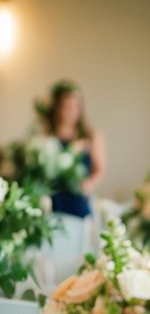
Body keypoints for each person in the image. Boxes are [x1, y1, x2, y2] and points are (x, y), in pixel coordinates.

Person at [36, 79, 106, 216]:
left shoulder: (91, 136)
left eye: (75, 105)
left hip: (78, 200)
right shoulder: (46, 137)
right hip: (52, 201)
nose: (71, 110)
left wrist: (88, 185)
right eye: (66, 105)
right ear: (57, 107)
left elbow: (99, 169)